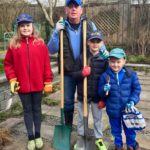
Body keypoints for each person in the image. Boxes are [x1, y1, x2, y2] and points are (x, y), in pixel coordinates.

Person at [47, 0, 109, 127]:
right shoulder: (61, 26)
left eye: (76, 6)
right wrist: (55, 33)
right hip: (68, 71)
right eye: (70, 6)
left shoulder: (89, 25)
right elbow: (51, 49)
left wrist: (105, 54)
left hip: (84, 70)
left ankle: (83, 129)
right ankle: (68, 126)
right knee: (68, 101)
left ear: (81, 9)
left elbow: (98, 43)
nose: (73, 9)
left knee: (84, 100)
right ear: (66, 10)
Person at [4, 13, 53, 150]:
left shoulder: (40, 44)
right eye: (22, 26)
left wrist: (48, 81)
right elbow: (8, 64)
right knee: (27, 110)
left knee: (37, 109)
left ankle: (38, 135)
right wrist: (12, 79)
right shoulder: (13, 45)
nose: (25, 28)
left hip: (38, 85)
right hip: (22, 86)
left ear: (33, 27)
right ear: (18, 28)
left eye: (28, 25)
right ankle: (30, 137)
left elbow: (46, 64)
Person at [98, 48, 141, 150]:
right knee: (116, 130)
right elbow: (101, 94)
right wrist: (104, 90)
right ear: (109, 62)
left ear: (124, 61)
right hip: (113, 110)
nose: (115, 65)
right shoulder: (105, 76)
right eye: (112, 62)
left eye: (118, 62)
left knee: (130, 129)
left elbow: (137, 89)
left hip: (128, 110)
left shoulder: (130, 74)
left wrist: (132, 100)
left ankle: (131, 145)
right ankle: (118, 146)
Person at [72, 31, 108, 150]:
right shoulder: (82, 57)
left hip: (97, 97)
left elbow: (107, 78)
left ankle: (98, 139)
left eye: (98, 41)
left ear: (101, 43)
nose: (95, 44)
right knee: (82, 119)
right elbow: (73, 75)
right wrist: (82, 73)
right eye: (92, 41)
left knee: (98, 119)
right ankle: (81, 138)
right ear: (88, 42)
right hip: (84, 95)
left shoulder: (104, 59)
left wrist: (104, 98)